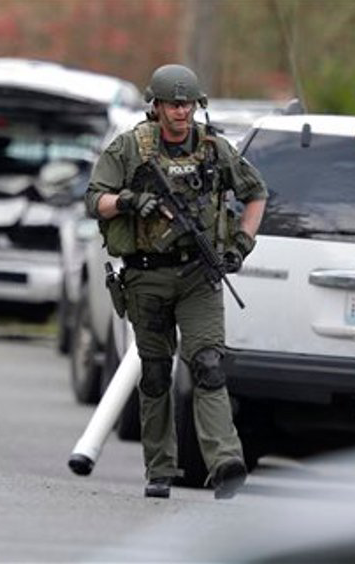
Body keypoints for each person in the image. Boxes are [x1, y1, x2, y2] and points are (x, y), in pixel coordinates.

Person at [86, 65, 268, 499]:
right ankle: (160, 468)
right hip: (146, 275)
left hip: (197, 276)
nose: (181, 111)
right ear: (157, 105)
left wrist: (241, 243)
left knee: (207, 364)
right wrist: (129, 200)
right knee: (154, 374)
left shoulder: (214, 149)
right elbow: (95, 200)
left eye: (187, 103)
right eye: (173, 103)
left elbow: (256, 192)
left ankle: (225, 462)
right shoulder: (130, 147)